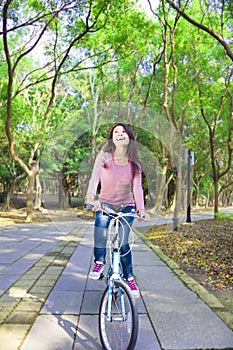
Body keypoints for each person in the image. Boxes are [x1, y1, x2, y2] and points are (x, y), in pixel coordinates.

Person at [85, 123, 150, 298]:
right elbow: (94, 179)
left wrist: (141, 210)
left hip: (126, 206)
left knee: (123, 242)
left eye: (123, 132)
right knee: (101, 225)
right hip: (105, 203)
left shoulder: (135, 163)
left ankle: (129, 277)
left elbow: (137, 188)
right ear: (111, 138)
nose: (120, 134)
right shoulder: (104, 157)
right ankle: (99, 261)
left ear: (129, 137)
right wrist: (91, 198)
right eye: (116, 132)